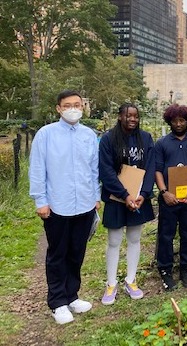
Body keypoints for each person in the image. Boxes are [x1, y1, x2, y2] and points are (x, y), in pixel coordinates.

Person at [29, 90, 100, 325]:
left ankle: (72, 295)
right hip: (57, 205)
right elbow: (38, 169)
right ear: (58, 108)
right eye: (68, 105)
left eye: (77, 105)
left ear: (83, 107)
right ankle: (58, 301)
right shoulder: (46, 135)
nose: (73, 109)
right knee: (57, 254)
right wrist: (41, 201)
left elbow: (93, 169)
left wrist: (95, 196)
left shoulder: (89, 135)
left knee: (77, 252)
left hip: (84, 203)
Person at [98, 103, 155, 304]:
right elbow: (105, 170)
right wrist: (124, 195)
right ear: (120, 116)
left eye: (136, 116)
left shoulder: (146, 138)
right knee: (114, 240)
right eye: (128, 115)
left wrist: (144, 194)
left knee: (134, 238)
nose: (133, 119)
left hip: (138, 198)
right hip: (116, 197)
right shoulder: (108, 139)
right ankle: (111, 283)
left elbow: (151, 166)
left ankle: (131, 280)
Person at [155, 104, 187, 290]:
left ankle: (186, 269)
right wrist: (164, 192)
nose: (178, 124)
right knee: (166, 235)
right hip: (169, 200)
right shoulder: (162, 143)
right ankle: (165, 270)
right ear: (169, 121)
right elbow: (158, 170)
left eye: (182, 120)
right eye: (175, 120)